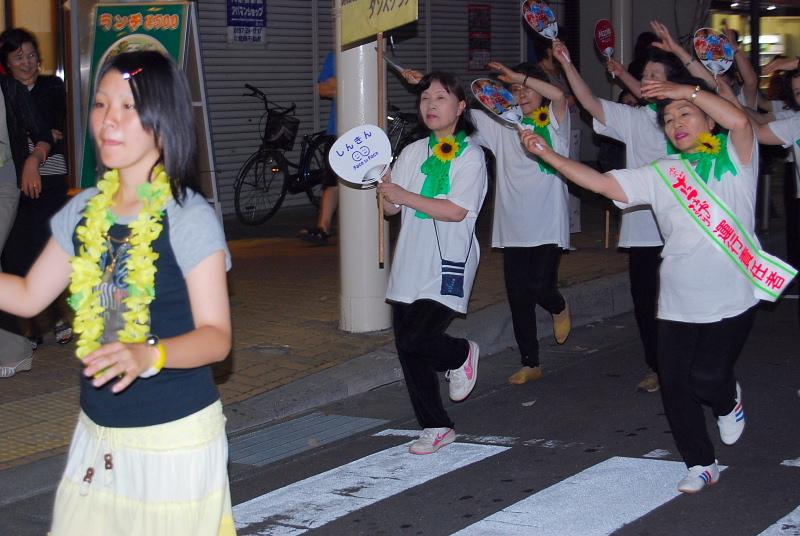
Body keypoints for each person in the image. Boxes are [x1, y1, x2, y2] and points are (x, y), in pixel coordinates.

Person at [0, 51, 234, 534]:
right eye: (101, 104)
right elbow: (26, 296)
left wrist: (148, 355)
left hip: (174, 439)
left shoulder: (187, 215)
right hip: (97, 434)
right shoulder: (84, 210)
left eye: (128, 107)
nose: (109, 119)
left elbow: (217, 338)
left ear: (163, 121)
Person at [520, 74, 771, 494]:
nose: (676, 122)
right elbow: (603, 184)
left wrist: (681, 90)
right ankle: (700, 463)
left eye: (686, 114)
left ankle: (729, 399)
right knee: (674, 385)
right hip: (675, 300)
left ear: (709, 120)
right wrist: (549, 155)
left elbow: (743, 123)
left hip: (732, 296)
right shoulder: (664, 171)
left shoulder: (736, 157)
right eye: (669, 119)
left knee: (708, 379)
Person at [403, 60, 572, 386]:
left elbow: (561, 96)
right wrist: (426, 82)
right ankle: (530, 361)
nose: (522, 94)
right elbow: (457, 110)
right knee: (518, 295)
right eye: (516, 90)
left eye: (529, 88)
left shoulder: (553, 121)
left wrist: (521, 76)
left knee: (540, 285)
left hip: (549, 223)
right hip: (512, 227)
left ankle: (559, 305)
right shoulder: (502, 126)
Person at [554, 37, 689, 393]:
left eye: (655, 75)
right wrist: (568, 64)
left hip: (687, 231)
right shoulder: (636, 118)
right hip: (644, 231)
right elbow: (589, 103)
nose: (647, 81)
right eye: (644, 76)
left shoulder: (694, 118)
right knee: (647, 306)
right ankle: (658, 368)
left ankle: (686, 364)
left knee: (684, 304)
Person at [378, 71, 487, 455]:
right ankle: (436, 426)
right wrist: (385, 187)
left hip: (448, 264)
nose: (430, 105)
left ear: (460, 107)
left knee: (417, 337)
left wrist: (404, 194)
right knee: (409, 350)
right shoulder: (410, 153)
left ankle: (461, 354)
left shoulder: (471, 156)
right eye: (425, 98)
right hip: (410, 262)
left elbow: (456, 211)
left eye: (440, 98)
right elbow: (392, 210)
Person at [0, 27, 72, 349]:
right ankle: (31, 324)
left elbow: (47, 127)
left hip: (51, 180)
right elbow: (44, 132)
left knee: (48, 248)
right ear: (7, 63)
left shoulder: (51, 85)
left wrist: (40, 138)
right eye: (19, 57)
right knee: (18, 256)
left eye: (31, 55)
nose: (28, 63)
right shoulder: (6, 92)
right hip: (17, 183)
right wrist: (44, 135)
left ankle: (57, 317)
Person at [0, 42, 52, 378]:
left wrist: (33, 160)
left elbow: (43, 134)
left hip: (3, 185)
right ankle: (15, 350)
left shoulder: (11, 90)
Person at [301, 51, 337, 245]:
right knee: (332, 179)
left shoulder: (372, 49)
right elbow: (323, 89)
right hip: (337, 129)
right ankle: (323, 227)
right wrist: (347, 83)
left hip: (364, 130)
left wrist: (338, 83)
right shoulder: (335, 55)